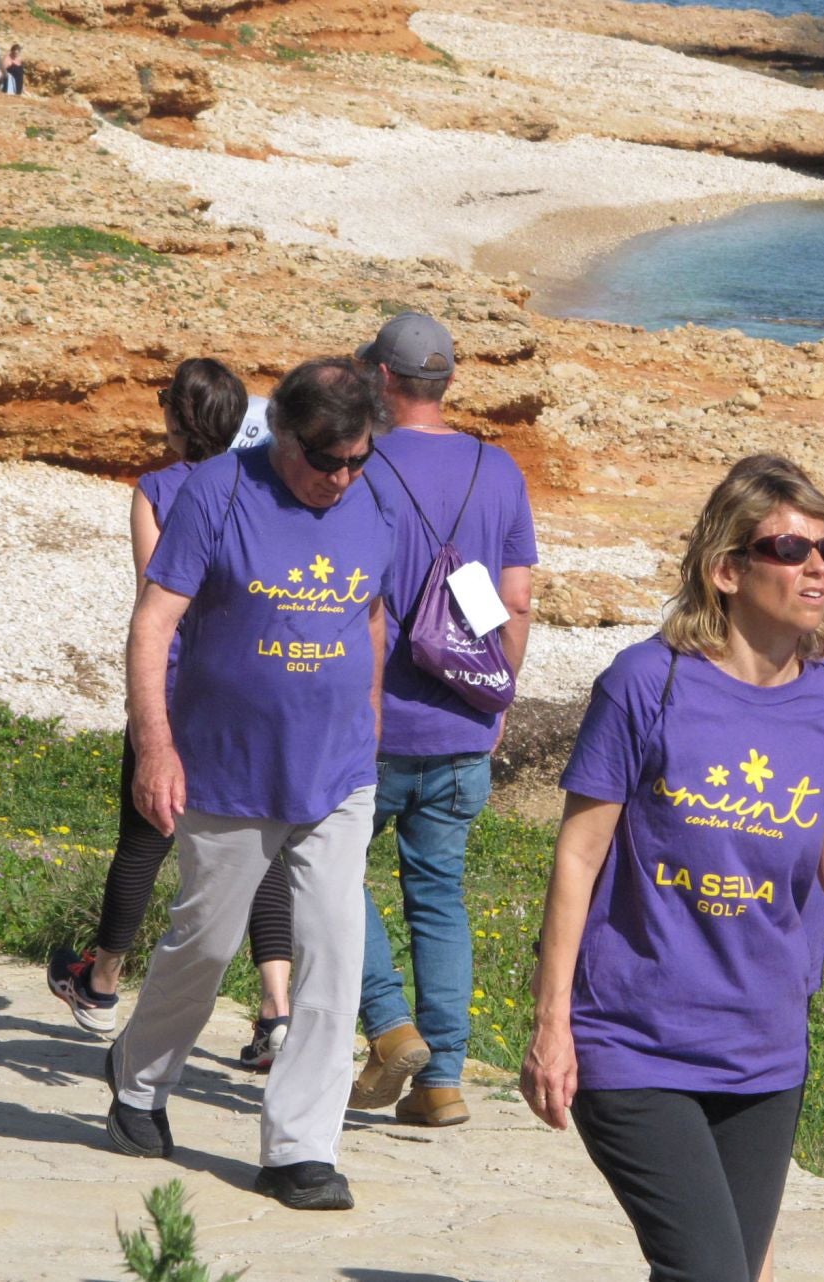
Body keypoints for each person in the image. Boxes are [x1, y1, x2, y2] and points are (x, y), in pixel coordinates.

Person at [519, 455, 824, 1282]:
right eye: (789, 548)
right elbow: (578, 855)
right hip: (634, 1040)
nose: (818, 565)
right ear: (726, 570)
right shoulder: (648, 682)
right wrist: (551, 1023)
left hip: (764, 1052)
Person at [104, 357, 392, 1212]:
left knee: (333, 954)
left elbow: (372, 614)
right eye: (326, 460)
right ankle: (139, 1075)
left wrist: (370, 722)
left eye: (357, 460)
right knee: (208, 939)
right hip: (226, 766)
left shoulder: (373, 497)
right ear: (285, 436)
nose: (341, 478)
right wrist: (155, 745)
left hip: (338, 770)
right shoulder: (220, 490)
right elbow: (154, 624)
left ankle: (301, 1147)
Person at [47, 358, 295, 1070]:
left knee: (143, 836)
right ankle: (275, 1009)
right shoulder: (260, 489)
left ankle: (100, 983)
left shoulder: (157, 489)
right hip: (248, 684)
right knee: (261, 843)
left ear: (172, 419)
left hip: (177, 684)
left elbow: (155, 597)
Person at [347, 312, 537, 1127]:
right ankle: (443, 1083)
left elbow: (352, 604)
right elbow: (519, 602)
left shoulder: (359, 464)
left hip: (374, 725)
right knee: (440, 896)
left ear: (384, 380)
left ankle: (390, 1025)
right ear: (445, 380)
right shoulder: (498, 469)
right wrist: (496, 703)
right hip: (465, 724)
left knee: (315, 873)